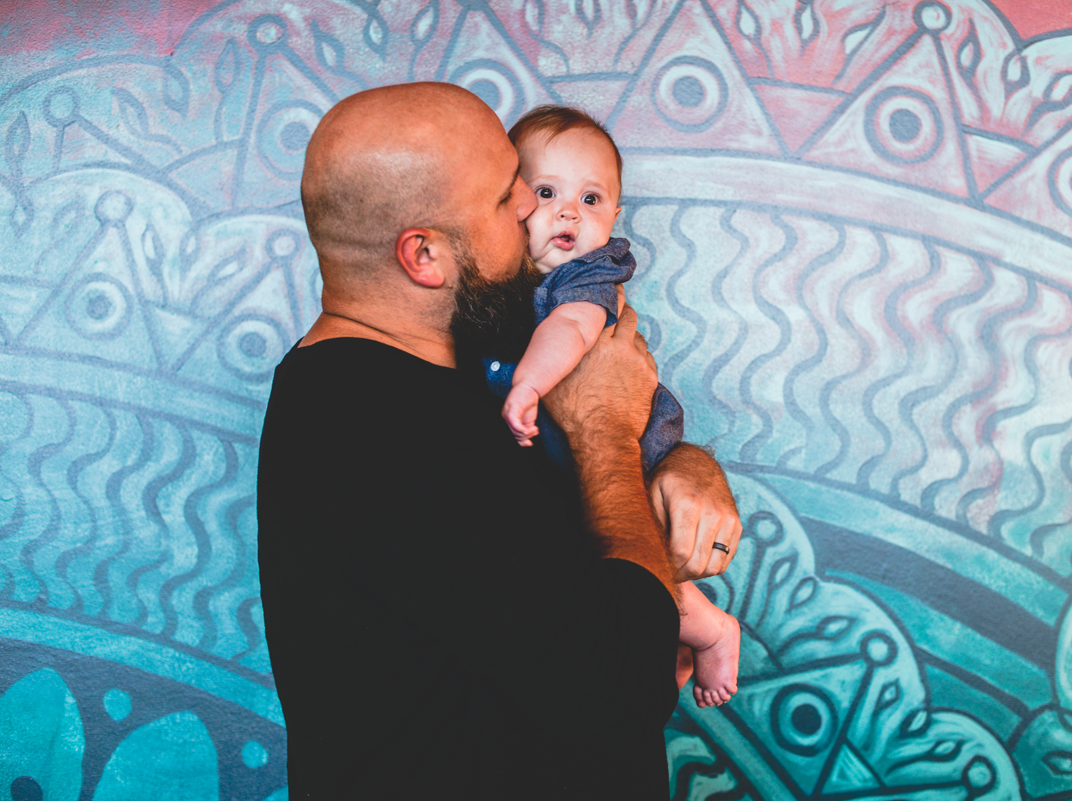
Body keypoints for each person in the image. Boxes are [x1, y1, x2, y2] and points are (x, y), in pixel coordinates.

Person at [256, 82, 743, 800]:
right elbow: (622, 681)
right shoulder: (374, 428)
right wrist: (606, 428)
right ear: (424, 254)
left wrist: (685, 462)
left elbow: (581, 492)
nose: (531, 209)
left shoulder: (455, 370)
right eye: (505, 194)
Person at [485, 105, 740, 709]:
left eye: (592, 199)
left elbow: (572, 332)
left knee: (615, 548)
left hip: (627, 439)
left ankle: (709, 630)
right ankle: (690, 630)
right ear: (509, 201)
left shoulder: (585, 279)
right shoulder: (509, 282)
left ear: (615, 218)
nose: (570, 212)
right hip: (561, 446)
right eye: (546, 192)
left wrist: (526, 385)